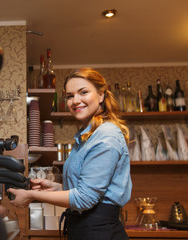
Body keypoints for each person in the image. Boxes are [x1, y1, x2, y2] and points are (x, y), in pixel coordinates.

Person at [8, 68, 132, 240]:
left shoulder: (107, 135)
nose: (75, 101)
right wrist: (54, 188)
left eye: (83, 92)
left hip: (99, 230)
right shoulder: (87, 137)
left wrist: (31, 195)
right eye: (70, 96)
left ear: (101, 95)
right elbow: (86, 190)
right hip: (84, 228)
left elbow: (84, 199)